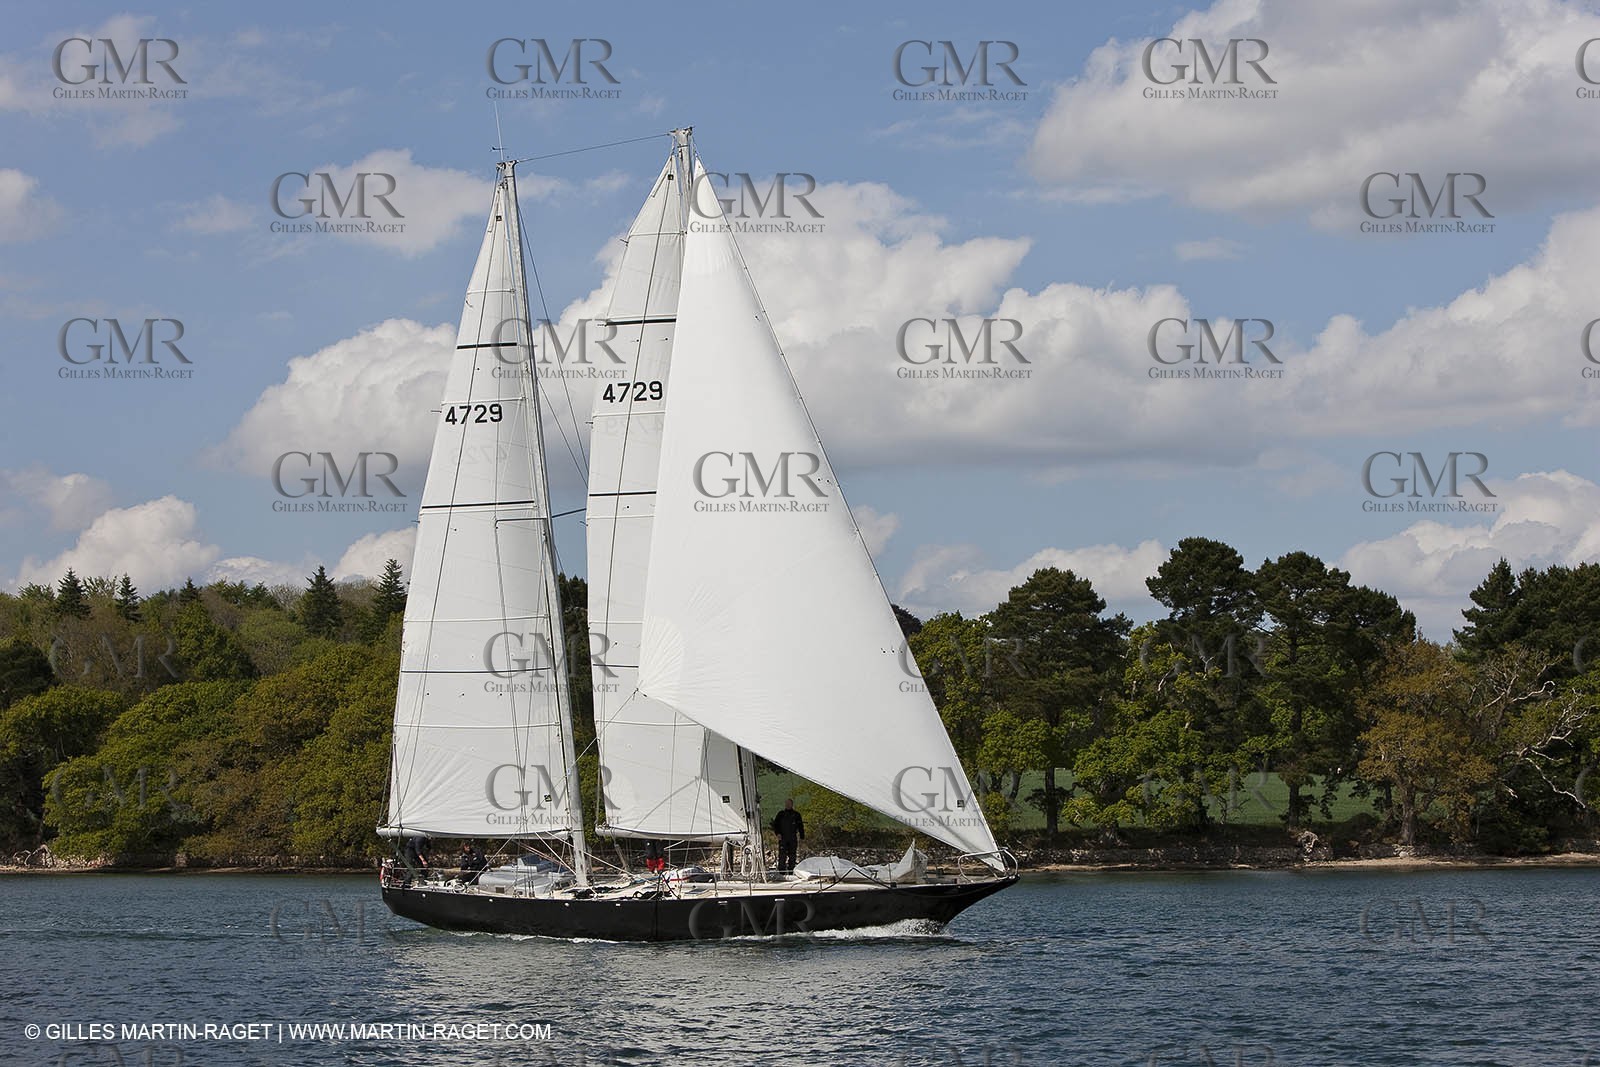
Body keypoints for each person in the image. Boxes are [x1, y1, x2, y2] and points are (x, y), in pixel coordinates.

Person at [770, 798, 804, 876]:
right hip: (783, 838)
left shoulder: (796, 814)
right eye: (786, 804)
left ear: (792, 805)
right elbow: (776, 825)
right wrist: (777, 833)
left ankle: (791, 871)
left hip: (792, 837)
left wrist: (802, 836)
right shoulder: (781, 814)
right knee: (782, 856)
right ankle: (781, 872)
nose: (788, 805)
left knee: (792, 855)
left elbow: (800, 826)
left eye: (789, 804)